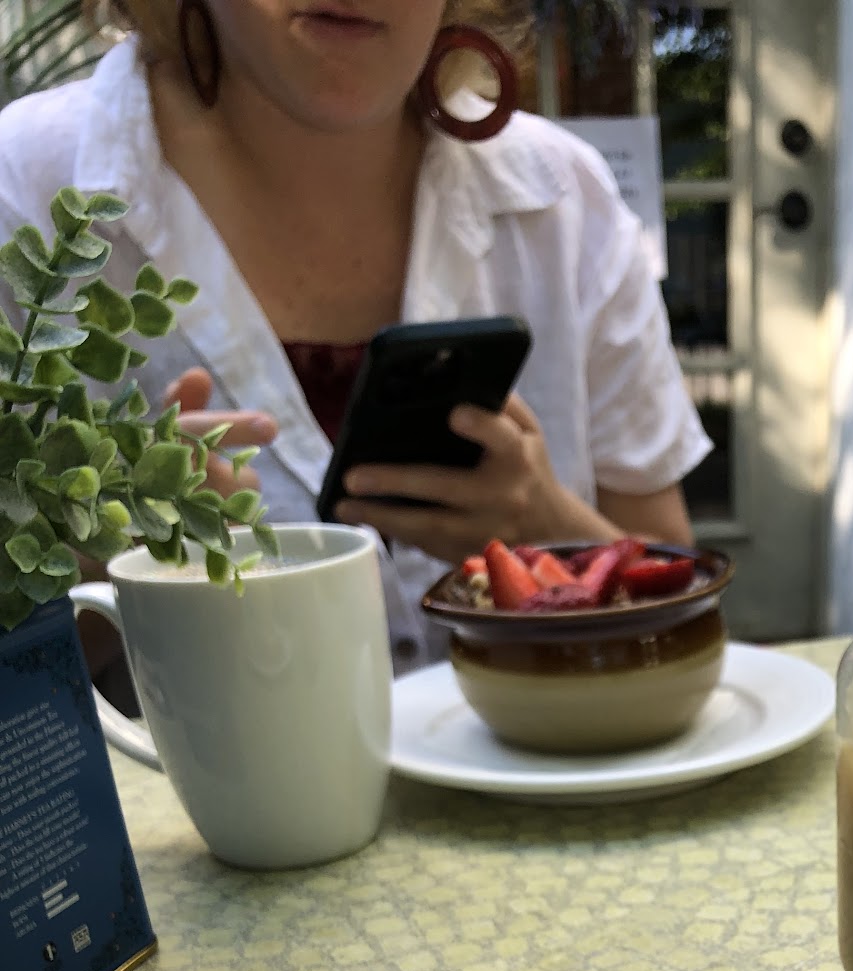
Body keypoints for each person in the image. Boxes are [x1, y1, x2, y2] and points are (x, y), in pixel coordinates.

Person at [0, 0, 710, 665]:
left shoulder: (565, 197)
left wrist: (550, 535)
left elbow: (681, 609)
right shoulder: (24, 188)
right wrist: (116, 565)